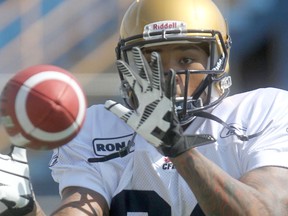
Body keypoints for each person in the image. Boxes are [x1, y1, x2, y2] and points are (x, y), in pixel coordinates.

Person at [1, 0, 288, 215]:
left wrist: (181, 152)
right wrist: (26, 211)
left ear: (216, 60)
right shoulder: (97, 126)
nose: (168, 75)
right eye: (151, 61)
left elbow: (264, 211)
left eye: (186, 59)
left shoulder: (261, 110)